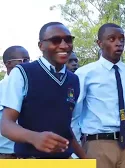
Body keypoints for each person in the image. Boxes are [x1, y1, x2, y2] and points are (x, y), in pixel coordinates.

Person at [72, 23, 125, 168]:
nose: (118, 43)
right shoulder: (85, 74)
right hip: (98, 144)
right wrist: (76, 153)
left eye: (121, 39)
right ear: (100, 43)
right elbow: (74, 117)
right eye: (112, 39)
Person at [0, 22, 86, 159]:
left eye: (68, 40)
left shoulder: (74, 80)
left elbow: (65, 128)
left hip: (66, 167)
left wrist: (86, 160)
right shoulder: (23, 73)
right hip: (31, 166)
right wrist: (34, 138)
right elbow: (6, 125)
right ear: (41, 46)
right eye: (55, 40)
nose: (64, 45)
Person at [0, 46, 30, 159]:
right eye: (24, 60)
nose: (28, 63)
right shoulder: (2, 88)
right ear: (8, 64)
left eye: (29, 60)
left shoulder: (32, 86)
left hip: (30, 154)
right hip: (6, 154)